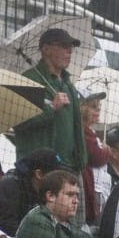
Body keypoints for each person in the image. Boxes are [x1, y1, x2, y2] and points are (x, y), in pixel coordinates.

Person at [11, 28, 86, 174]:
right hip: (41, 169)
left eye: (71, 48)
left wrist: (81, 160)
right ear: (46, 49)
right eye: (64, 46)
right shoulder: (29, 81)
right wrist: (52, 107)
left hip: (70, 167)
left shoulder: (68, 84)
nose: (69, 51)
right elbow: (20, 122)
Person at [0, 148, 61, 236]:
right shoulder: (8, 187)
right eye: (56, 176)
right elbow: (5, 228)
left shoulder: (38, 194)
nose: (60, 181)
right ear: (39, 174)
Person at [78, 89, 109, 226]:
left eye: (99, 107)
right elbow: (97, 157)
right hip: (81, 184)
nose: (97, 110)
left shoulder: (90, 131)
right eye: (93, 106)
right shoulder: (82, 130)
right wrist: (106, 151)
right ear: (82, 108)